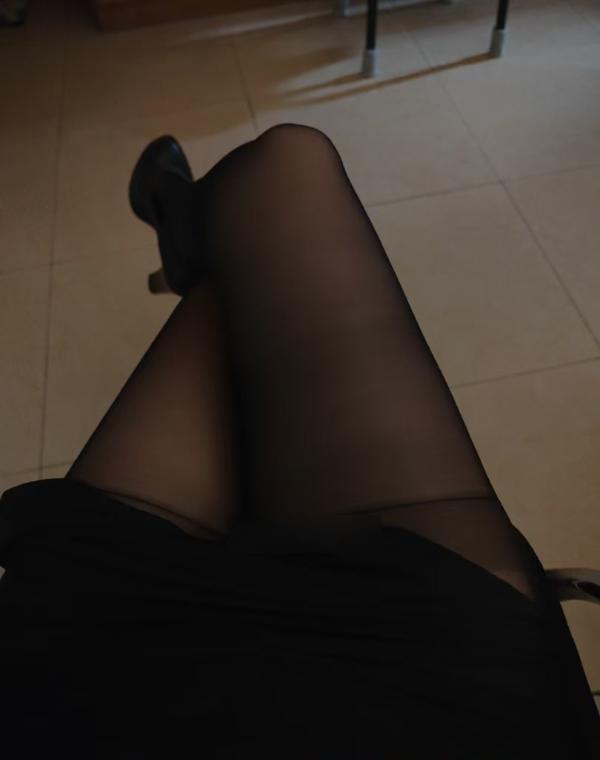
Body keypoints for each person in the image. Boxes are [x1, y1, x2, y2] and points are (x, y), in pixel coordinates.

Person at [0, 124, 598, 758]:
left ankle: (188, 235)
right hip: (441, 689)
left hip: (94, 680)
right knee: (279, 186)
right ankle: (189, 235)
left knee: (274, 193)